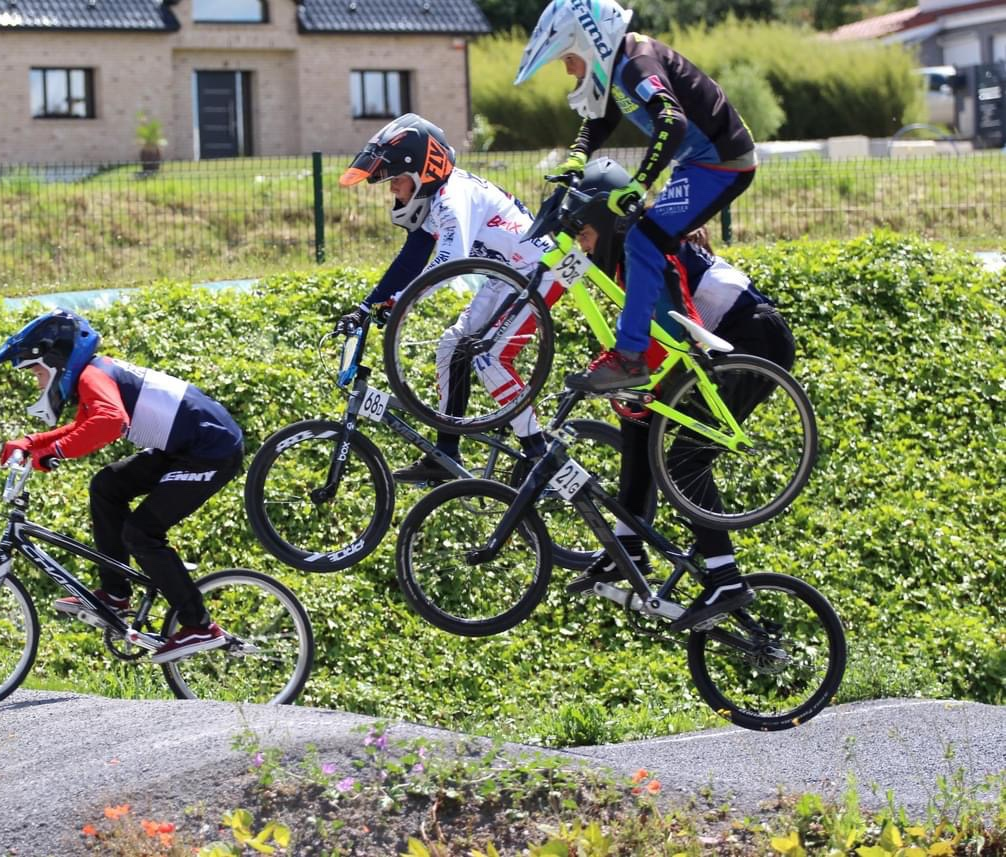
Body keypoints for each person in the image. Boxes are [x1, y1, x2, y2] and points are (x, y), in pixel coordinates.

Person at [560, 159, 795, 631]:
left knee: (685, 462)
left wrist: (626, 372)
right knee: (637, 420)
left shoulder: (644, 253)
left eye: (584, 235)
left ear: (607, 223)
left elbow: (674, 328)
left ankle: (725, 577)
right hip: (724, 342)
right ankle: (627, 545)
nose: (583, 247)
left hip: (753, 339)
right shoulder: (633, 252)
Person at [514, 0, 758, 394]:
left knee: (643, 241)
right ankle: (673, 339)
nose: (569, 69)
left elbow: (671, 120)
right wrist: (577, 156)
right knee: (645, 240)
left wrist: (641, 182)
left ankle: (632, 356)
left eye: (569, 58)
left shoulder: (636, 63)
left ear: (591, 42)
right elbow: (600, 119)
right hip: (699, 162)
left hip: (722, 163)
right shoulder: (617, 69)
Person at [0, 308, 245, 662]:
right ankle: (115, 594)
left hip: (211, 451)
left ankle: (199, 624)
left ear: (56, 361)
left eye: (37, 373)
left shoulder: (93, 377)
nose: (39, 384)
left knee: (141, 533)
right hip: (183, 447)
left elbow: (109, 421)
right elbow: (83, 426)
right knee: (107, 486)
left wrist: (55, 452)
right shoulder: (95, 375)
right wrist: (33, 442)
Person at [336, 112, 561, 482]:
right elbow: (410, 260)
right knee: (452, 347)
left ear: (421, 173)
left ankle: (538, 452)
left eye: (396, 180)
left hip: (541, 274)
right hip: (508, 279)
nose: (392, 190)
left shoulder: (452, 197)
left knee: (490, 357)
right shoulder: (435, 198)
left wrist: (401, 301)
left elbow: (450, 262)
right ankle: (446, 453)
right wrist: (366, 306)